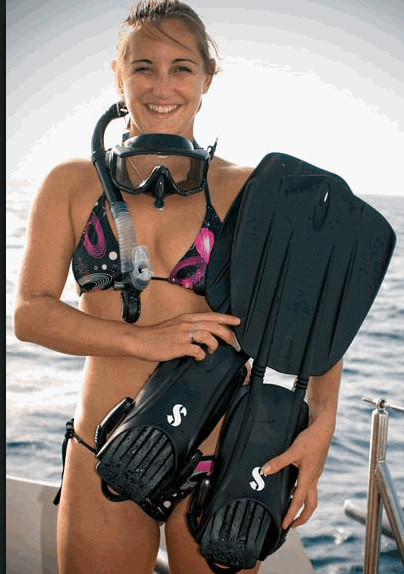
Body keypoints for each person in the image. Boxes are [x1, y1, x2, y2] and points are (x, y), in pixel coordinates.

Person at [14, 1, 343, 573]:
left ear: (207, 78)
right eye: (143, 67)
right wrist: (144, 340)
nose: (162, 85)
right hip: (106, 447)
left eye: (182, 67)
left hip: (223, 461)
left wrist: (321, 429)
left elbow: (318, 317)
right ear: (118, 76)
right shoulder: (71, 183)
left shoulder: (252, 188)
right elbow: (30, 314)